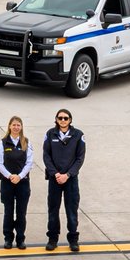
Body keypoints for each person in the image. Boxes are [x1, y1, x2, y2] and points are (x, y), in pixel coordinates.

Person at [42, 108, 86, 252]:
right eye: (60, 118)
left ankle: (73, 240)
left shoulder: (78, 135)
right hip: (55, 179)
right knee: (53, 210)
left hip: (70, 180)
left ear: (70, 120)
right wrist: (55, 174)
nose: (62, 120)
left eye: (65, 118)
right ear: (56, 119)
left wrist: (68, 175)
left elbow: (80, 158)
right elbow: (46, 156)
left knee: (71, 211)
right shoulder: (50, 134)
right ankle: (52, 239)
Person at [0, 115, 34, 250]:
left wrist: (20, 176)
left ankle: (20, 239)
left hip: (22, 183)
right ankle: (8, 239)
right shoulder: (3, 143)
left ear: (21, 127)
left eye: (18, 125)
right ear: (9, 126)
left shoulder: (26, 142)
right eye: (14, 125)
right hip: (7, 182)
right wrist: (10, 176)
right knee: (8, 211)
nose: (16, 127)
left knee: (21, 212)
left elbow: (29, 163)